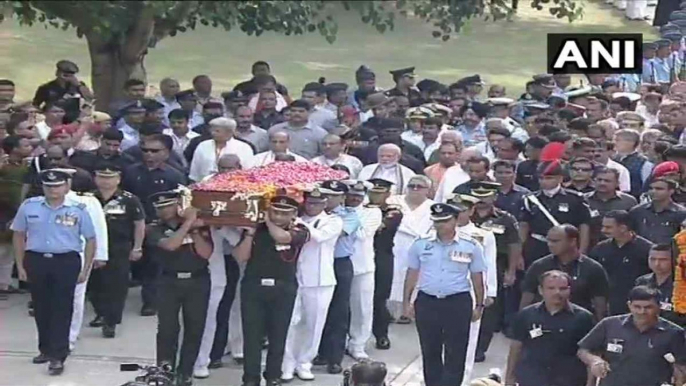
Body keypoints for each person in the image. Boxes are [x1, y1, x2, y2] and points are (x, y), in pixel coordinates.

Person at [11, 169, 96, 375]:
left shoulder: (78, 209)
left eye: (57, 186)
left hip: (65, 261)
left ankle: (58, 355)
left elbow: (91, 239)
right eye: (49, 186)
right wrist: (21, 265)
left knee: (62, 307)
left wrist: (86, 268)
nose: (53, 190)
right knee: (41, 307)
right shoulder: (29, 206)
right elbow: (19, 235)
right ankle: (45, 349)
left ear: (67, 187)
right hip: (37, 259)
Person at [404, 202, 486, 386]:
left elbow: (477, 277)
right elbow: (411, 274)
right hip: (427, 301)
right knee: (429, 349)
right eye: (436, 221)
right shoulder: (421, 243)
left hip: (457, 302)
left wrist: (479, 305)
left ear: (456, 220)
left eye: (445, 221)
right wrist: (407, 302)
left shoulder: (470, 245)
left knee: (456, 351)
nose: (440, 225)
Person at [232, 196, 310, 386]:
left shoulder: (300, 229)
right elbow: (240, 257)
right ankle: (251, 378)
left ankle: (273, 375)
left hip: (283, 288)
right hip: (254, 286)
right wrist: (250, 234)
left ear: (293, 214)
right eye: (275, 211)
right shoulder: (256, 229)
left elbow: (283, 238)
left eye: (284, 213)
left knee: (278, 335)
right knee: (252, 336)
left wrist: (266, 220)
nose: (278, 216)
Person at [146, 191, 212, 386]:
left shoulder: (200, 226)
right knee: (167, 329)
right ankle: (164, 371)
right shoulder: (154, 228)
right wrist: (188, 224)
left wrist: (193, 227)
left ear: (177, 205)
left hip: (197, 281)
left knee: (194, 328)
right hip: (168, 282)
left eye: (168, 205)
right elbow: (171, 245)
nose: (163, 211)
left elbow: (206, 253)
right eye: (159, 207)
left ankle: (186, 372)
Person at [281, 188, 342, 382]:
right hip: (294, 277)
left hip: (319, 279)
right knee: (290, 323)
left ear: (324, 203)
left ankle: (305, 362)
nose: (311, 206)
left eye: (316, 203)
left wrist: (298, 224)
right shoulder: (296, 218)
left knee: (314, 324)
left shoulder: (332, 220)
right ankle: (287, 364)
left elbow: (320, 237)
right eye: (309, 203)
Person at [578, 286, 686, 386]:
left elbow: (681, 365)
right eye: (637, 307)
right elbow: (583, 349)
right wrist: (594, 361)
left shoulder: (674, 333)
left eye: (648, 307)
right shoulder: (609, 324)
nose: (642, 312)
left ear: (659, 307)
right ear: (629, 305)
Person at [505, 270, 594, 386]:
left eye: (563, 288)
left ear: (569, 290)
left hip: (569, 380)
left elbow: (591, 352)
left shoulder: (584, 318)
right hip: (532, 379)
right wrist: (509, 378)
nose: (557, 292)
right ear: (541, 290)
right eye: (551, 288)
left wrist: (590, 383)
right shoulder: (526, 315)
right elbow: (515, 348)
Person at [86, 163, 145, 337]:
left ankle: (111, 321)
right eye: (102, 177)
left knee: (116, 286)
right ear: (96, 179)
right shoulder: (88, 199)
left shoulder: (129, 199)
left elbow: (139, 224)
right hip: (93, 247)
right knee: (93, 285)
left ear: (118, 179)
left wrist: (137, 247)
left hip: (119, 247)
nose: (105, 181)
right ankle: (101, 312)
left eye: (110, 178)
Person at [470, 182, 522, 362]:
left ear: (494, 197)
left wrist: (511, 271)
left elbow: (514, 244)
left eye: (486, 196)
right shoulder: (465, 216)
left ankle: (480, 347)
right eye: (478, 195)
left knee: (490, 309)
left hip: (495, 266)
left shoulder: (505, 218)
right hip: (465, 265)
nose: (481, 200)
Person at [447, 194, 497, 380]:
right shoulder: (435, 232)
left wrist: (489, 292)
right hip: (441, 292)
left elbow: (489, 265)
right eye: (454, 211)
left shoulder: (483, 235)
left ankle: (463, 380)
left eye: (462, 211)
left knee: (467, 340)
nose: (458, 215)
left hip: (470, 292)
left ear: (471, 210)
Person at [316, 180, 361, 374]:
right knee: (317, 309)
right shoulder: (313, 213)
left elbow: (336, 233)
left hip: (339, 263)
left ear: (343, 197)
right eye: (325, 194)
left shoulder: (349, 216)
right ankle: (319, 351)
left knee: (338, 311)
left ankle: (334, 357)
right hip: (317, 262)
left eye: (333, 195)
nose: (328, 199)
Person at [521, 225, 609, 322]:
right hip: (543, 322)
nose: (550, 244)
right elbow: (527, 298)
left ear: (572, 241)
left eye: (555, 241)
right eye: (548, 240)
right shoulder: (539, 266)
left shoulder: (593, 268)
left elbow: (600, 304)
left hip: (579, 323)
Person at [519, 160, 592, 267]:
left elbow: (584, 226)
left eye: (549, 178)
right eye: (541, 178)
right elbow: (523, 226)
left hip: (565, 247)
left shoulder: (575, 198)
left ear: (560, 178)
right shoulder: (530, 199)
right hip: (537, 246)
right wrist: (519, 253)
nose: (544, 181)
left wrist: (582, 251)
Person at [387, 176, 435, 322]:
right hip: (396, 242)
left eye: (419, 187)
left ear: (427, 190)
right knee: (392, 275)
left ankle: (409, 309)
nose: (415, 189)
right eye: (411, 186)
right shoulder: (394, 201)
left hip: (420, 245)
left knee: (415, 277)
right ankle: (388, 310)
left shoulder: (434, 207)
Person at [589, 210, 653, 316]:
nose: (603, 230)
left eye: (608, 227)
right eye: (603, 226)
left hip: (637, 304)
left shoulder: (646, 249)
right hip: (608, 303)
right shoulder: (600, 248)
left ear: (623, 228)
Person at [345, 180, 382, 360]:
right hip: (340, 265)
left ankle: (358, 344)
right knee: (339, 308)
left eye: (358, 196)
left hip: (363, 266)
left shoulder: (372, 212)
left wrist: (348, 219)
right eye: (351, 195)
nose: (354, 199)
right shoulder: (337, 211)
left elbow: (362, 234)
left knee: (362, 307)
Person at [367, 178, 403, 350]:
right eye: (373, 192)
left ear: (388, 194)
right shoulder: (361, 209)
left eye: (379, 192)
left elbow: (380, 227)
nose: (375, 196)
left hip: (382, 256)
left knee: (380, 298)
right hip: (361, 256)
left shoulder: (393, 211)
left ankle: (381, 334)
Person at [0, 136, 32, 297]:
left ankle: (4, 284)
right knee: (2, 248)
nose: (30, 147)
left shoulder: (27, 165)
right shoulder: (3, 165)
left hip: (18, 210)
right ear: (14, 149)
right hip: (3, 210)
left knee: (12, 249)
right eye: (25, 144)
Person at [584, 168, 637, 248]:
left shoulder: (628, 201)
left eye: (607, 181)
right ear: (593, 181)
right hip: (590, 246)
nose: (602, 183)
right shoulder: (583, 200)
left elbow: (633, 226)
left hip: (621, 246)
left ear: (617, 183)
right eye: (599, 180)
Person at [189, 117, 254, 182]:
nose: (212, 133)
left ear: (229, 132)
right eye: (212, 130)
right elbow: (194, 172)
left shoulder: (244, 147)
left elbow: (248, 172)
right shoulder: (203, 145)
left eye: (217, 131)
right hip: (204, 186)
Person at [635, 244, 686, 326]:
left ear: (674, 260)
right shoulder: (642, 282)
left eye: (663, 260)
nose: (657, 264)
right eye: (653, 259)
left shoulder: (682, 284)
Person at [629, 177, 686, 245]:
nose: (653, 191)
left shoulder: (681, 213)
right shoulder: (637, 211)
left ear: (671, 191)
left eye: (659, 189)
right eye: (651, 188)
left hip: (669, 253)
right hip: (642, 253)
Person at [70, 128, 136, 175]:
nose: (111, 148)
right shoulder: (85, 157)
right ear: (101, 140)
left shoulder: (126, 161)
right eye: (108, 144)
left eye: (115, 145)